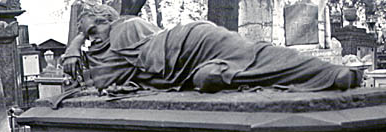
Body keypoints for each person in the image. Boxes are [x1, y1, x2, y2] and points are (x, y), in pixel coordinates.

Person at [62, 3, 361, 93]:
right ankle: (329, 76)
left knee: (258, 57)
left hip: (193, 44)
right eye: (89, 35)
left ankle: (332, 73)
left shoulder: (123, 29)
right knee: (237, 73)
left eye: (93, 30)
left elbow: (103, 79)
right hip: (192, 63)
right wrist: (79, 41)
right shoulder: (114, 41)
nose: (93, 38)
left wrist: (75, 46)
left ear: (108, 20)